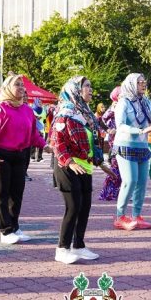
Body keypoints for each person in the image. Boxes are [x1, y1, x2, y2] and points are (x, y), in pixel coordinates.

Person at [50, 76, 113, 263]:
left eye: (91, 86)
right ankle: (62, 249)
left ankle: (78, 246)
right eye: (86, 86)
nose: (90, 89)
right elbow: (57, 142)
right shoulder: (66, 112)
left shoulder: (86, 114)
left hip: (85, 166)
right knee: (73, 206)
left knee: (85, 207)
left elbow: (92, 142)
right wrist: (69, 162)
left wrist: (100, 162)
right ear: (75, 90)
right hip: (67, 166)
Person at [0, 75, 44, 241]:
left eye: (22, 85)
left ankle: (15, 227)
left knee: (17, 193)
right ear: (8, 88)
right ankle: (6, 230)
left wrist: (45, 145)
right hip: (2, 156)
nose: (21, 88)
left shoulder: (26, 109)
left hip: (21, 155)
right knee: (2, 193)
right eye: (16, 85)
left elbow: (34, 134)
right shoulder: (1, 108)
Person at [113, 73, 151, 230]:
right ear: (131, 84)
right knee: (130, 180)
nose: (143, 84)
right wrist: (141, 131)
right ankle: (120, 216)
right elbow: (120, 126)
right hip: (126, 145)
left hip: (142, 146)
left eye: (144, 81)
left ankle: (136, 215)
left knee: (141, 182)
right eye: (139, 82)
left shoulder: (146, 102)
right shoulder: (123, 102)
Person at [97, 87, 122, 201]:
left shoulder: (123, 105)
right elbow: (102, 120)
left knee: (121, 166)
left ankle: (116, 192)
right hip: (115, 141)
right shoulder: (114, 106)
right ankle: (107, 192)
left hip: (123, 139)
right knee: (116, 165)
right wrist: (109, 129)